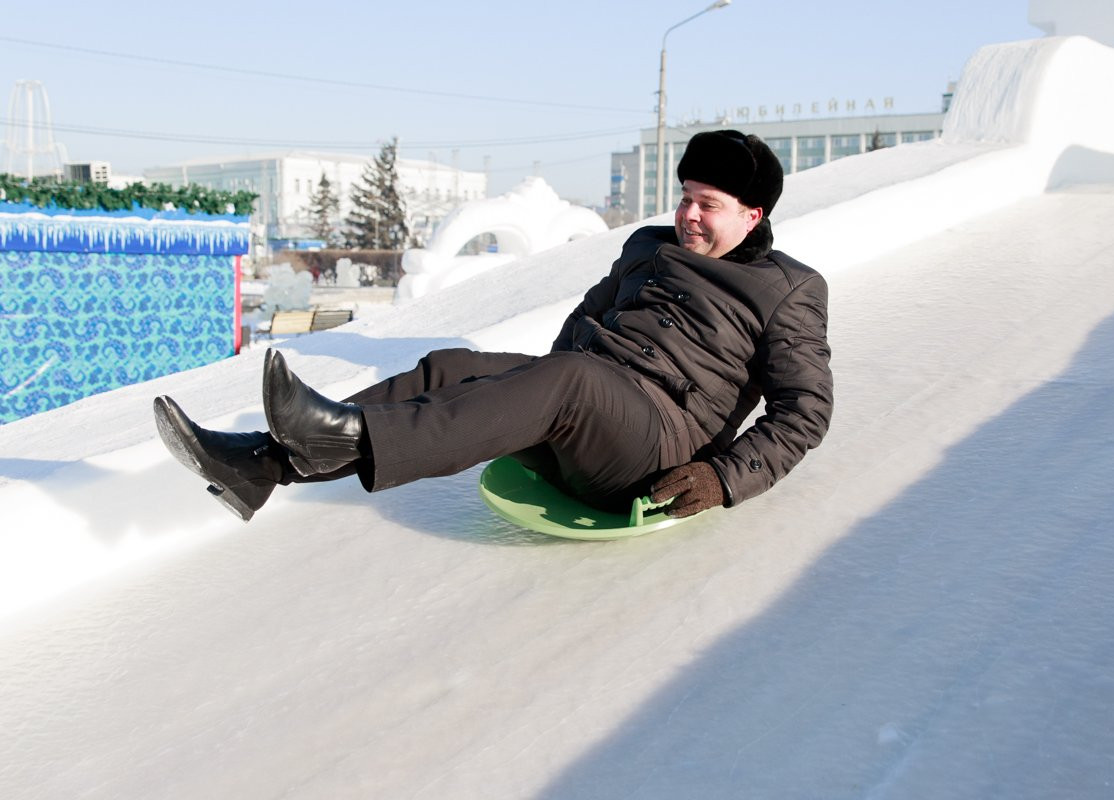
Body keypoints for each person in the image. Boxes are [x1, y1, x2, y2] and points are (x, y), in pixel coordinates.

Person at [154, 130, 833, 523]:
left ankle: (353, 435)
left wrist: (723, 478)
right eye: (684, 197)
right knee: (453, 368)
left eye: (706, 205)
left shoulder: (787, 289)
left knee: (569, 379)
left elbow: (806, 410)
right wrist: (527, 394)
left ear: (753, 213)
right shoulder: (649, 246)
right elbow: (585, 321)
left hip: (656, 449)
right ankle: (259, 464)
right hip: (589, 408)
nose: (687, 214)